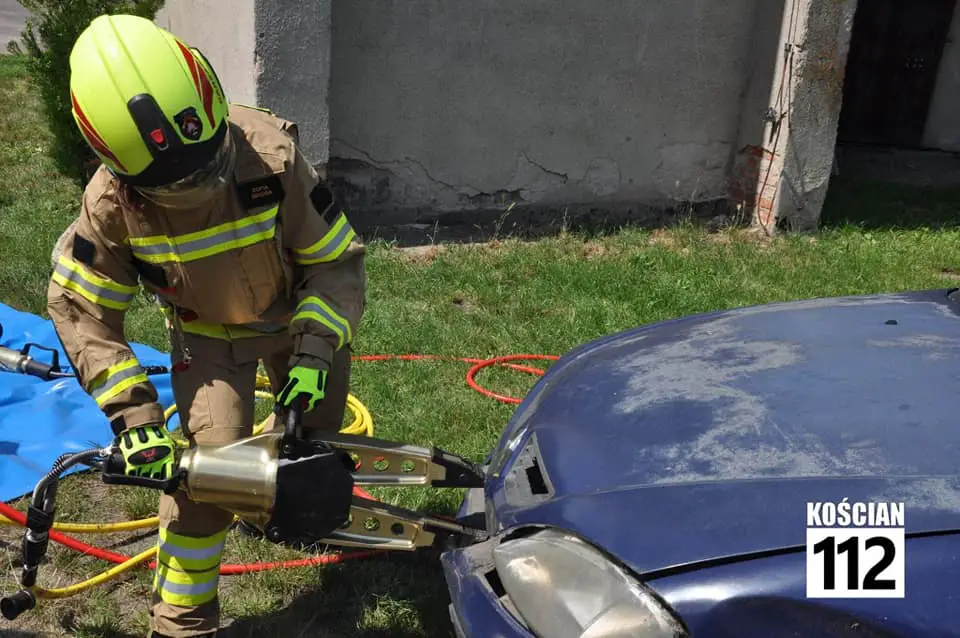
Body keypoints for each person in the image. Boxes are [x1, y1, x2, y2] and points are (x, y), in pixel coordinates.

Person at [46, 13, 366, 638]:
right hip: (209, 338)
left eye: (208, 162)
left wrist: (315, 351)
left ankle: (279, 498)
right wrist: (135, 419)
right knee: (207, 479)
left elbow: (333, 262)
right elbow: (83, 310)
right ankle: (183, 621)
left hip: (294, 319)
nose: (201, 183)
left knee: (316, 436)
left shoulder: (268, 153)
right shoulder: (111, 207)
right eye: (177, 184)